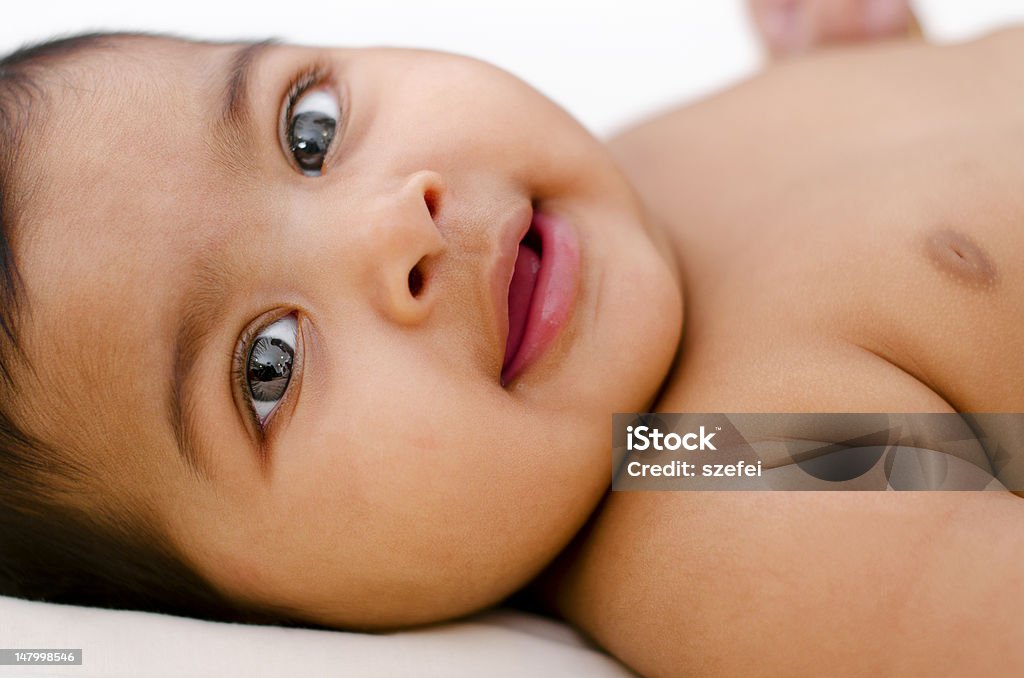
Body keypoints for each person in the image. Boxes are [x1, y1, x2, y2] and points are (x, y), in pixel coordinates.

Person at [4, 0, 1021, 673]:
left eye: (306, 131)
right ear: (253, 611)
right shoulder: (704, 466)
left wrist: (865, 67)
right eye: (269, 364)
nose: (394, 225)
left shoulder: (610, 172)